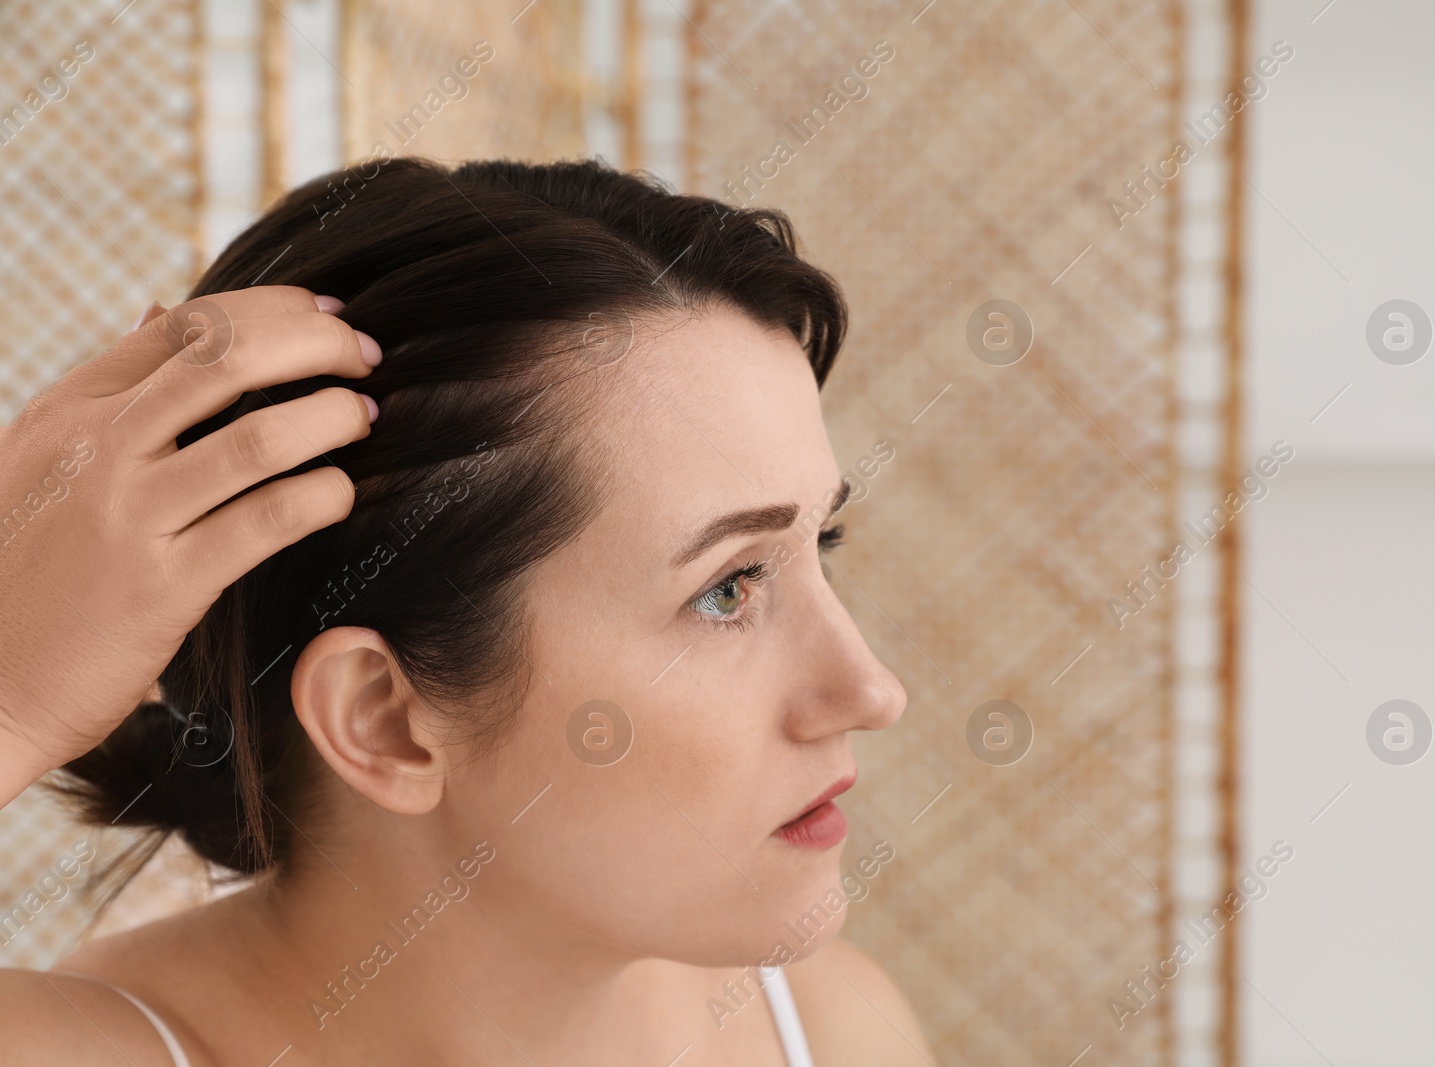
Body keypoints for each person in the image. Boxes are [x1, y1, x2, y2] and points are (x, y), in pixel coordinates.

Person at [0, 157, 935, 1065]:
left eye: (822, 545)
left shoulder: (831, 1028)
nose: (871, 690)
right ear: (385, 719)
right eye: (727, 589)